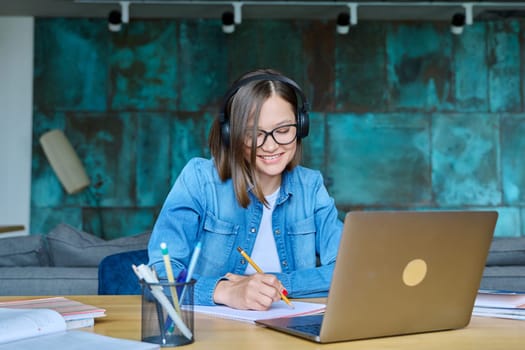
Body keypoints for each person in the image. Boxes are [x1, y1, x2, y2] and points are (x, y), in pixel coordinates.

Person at [148, 68, 343, 310]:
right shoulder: (198, 179)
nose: (271, 146)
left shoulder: (311, 187)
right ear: (232, 134)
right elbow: (160, 276)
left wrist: (272, 285)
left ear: (301, 126)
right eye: (254, 133)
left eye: (283, 130)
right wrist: (225, 291)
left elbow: (347, 270)